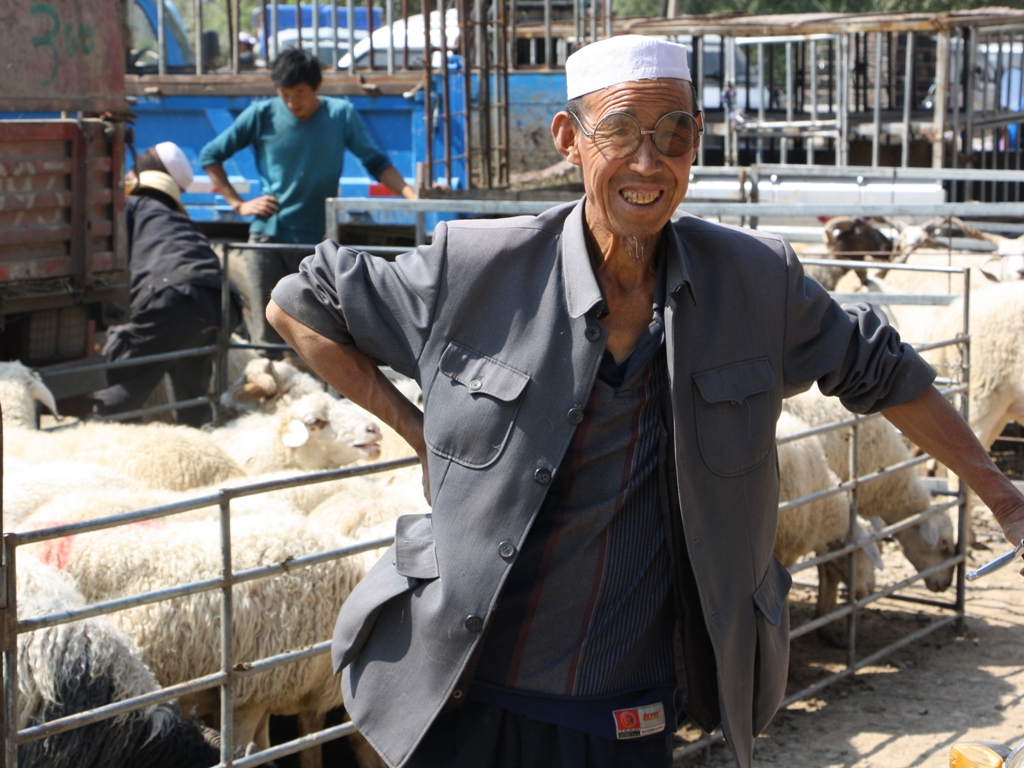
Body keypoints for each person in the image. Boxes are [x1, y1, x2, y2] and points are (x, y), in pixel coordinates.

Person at [265, 35, 1024, 768]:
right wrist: (416, 429)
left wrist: (1003, 498)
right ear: (569, 138)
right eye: (620, 130)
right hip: (462, 695)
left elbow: (881, 367)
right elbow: (297, 303)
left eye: (673, 134)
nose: (647, 161)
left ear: (697, 141)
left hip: (622, 710)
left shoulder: (755, 284)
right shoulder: (477, 269)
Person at [199, 49, 417, 350]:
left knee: (317, 335)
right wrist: (239, 204)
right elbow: (210, 156)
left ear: (316, 87)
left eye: (299, 93)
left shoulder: (340, 115)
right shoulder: (261, 115)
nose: (291, 102)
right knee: (268, 336)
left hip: (316, 244)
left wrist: (411, 196)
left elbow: (376, 162)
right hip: (268, 240)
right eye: (284, 94)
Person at [92, 142, 239, 427]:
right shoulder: (180, 219)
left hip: (172, 297)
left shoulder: (132, 206)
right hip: (220, 302)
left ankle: (116, 453)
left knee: (119, 384)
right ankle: (196, 446)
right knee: (192, 395)